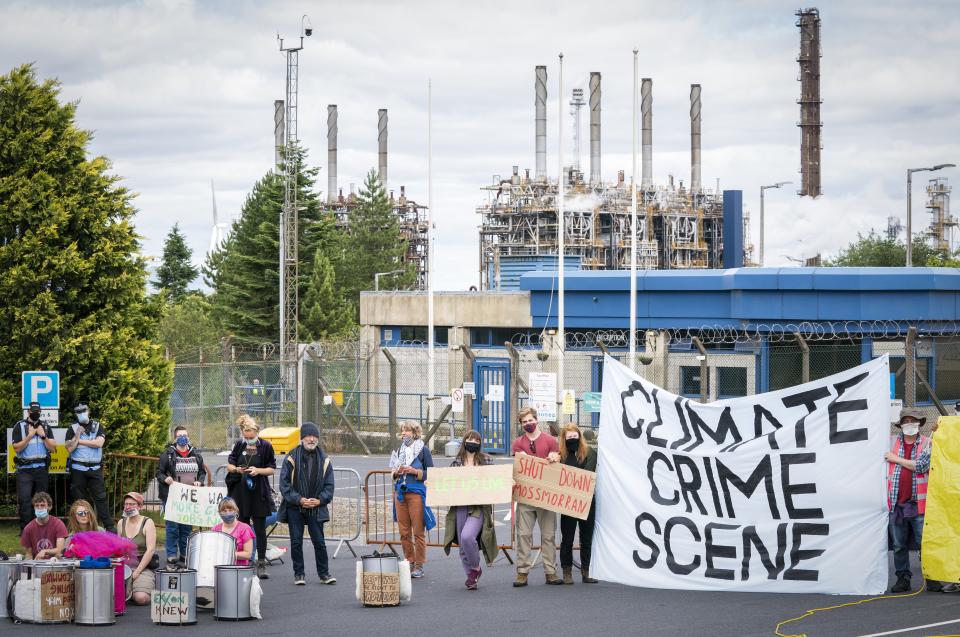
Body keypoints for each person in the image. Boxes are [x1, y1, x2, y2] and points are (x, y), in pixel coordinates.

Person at [279, 422, 336, 586]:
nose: (311, 439)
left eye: (314, 436)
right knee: (296, 541)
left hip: (316, 507)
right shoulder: (291, 457)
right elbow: (284, 485)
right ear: (302, 437)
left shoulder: (325, 459)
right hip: (295, 507)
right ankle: (299, 574)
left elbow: (329, 486)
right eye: (308, 436)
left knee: (319, 541)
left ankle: (324, 574)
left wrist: (320, 500)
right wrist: (299, 499)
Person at [511, 406, 562, 587]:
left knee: (548, 535)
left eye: (530, 420)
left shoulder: (550, 441)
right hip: (526, 495)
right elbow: (517, 467)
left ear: (537, 420)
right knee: (523, 534)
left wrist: (555, 457)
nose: (528, 424)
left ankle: (551, 572)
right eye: (524, 422)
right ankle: (522, 572)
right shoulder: (518, 443)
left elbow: (557, 461)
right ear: (521, 425)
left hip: (546, 496)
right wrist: (521, 459)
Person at [442, 430, 498, 590]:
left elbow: (495, 479)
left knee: (467, 537)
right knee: (462, 544)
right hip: (460, 506)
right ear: (464, 441)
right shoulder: (457, 462)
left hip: (478, 507)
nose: (473, 441)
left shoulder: (487, 460)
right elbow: (447, 483)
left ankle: (476, 568)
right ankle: (471, 577)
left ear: (480, 443)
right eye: (470, 438)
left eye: (476, 439)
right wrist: (432, 485)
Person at [885, 408, 933, 593]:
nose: (909, 424)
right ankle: (902, 578)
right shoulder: (891, 442)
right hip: (896, 504)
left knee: (925, 543)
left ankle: (932, 578)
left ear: (920, 423)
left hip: (919, 504)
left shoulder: (927, 443)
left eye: (913, 420)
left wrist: (895, 459)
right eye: (906, 420)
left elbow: (921, 466)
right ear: (901, 424)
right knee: (898, 545)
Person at [226, 414, 276, 579]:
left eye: (251, 435)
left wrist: (258, 471)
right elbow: (230, 464)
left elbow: (271, 468)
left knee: (260, 530)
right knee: (244, 529)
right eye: (246, 435)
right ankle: (245, 562)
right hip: (241, 493)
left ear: (256, 431)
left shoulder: (266, 446)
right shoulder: (239, 445)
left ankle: (261, 563)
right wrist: (236, 470)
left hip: (258, 492)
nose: (249, 438)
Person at [390, 420, 434, 579]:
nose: (404, 434)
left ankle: (419, 564)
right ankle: (409, 560)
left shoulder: (423, 450)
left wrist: (415, 471)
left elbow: (430, 473)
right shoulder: (399, 449)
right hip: (400, 493)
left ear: (415, 432)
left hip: (416, 493)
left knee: (418, 531)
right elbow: (392, 470)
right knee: (404, 531)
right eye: (402, 431)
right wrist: (396, 472)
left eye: (407, 431)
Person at [157, 424, 207, 564]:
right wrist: (165, 479)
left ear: (188, 437)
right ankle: (172, 554)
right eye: (179, 436)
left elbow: (202, 472)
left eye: (184, 435)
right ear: (175, 438)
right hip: (172, 496)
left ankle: (184, 554)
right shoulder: (167, 454)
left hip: (189, 498)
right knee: (172, 527)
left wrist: (200, 482)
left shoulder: (196, 454)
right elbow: (159, 472)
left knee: (186, 528)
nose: (182, 438)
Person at [557, 423, 599, 585]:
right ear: (564, 439)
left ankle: (586, 571)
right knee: (567, 538)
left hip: (587, 501)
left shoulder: (591, 453)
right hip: (568, 502)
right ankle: (567, 571)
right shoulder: (560, 455)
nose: (572, 440)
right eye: (569, 438)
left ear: (580, 437)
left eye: (575, 437)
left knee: (586, 538)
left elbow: (585, 475)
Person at [65, 402, 115, 533]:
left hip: (95, 469)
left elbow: (99, 443)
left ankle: (109, 528)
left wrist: (78, 441)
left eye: (84, 410)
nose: (81, 413)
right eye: (78, 411)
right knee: (79, 501)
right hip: (78, 469)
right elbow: (69, 448)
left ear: (88, 411)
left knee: (101, 498)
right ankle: (78, 529)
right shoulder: (72, 428)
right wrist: (77, 434)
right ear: (75, 414)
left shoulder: (98, 426)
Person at [12, 401, 56, 531]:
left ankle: (42, 528)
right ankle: (26, 530)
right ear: (28, 412)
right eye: (33, 411)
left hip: (41, 468)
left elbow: (53, 449)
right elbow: (17, 448)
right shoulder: (19, 426)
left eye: (38, 411)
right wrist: (29, 436)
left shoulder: (46, 426)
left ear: (40, 412)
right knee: (25, 501)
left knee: (42, 500)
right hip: (25, 470)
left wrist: (43, 436)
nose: (36, 413)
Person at [117, 491, 156, 605]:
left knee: (141, 598)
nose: (128, 507)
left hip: (142, 567)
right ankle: (130, 589)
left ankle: (147, 587)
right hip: (125, 566)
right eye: (126, 504)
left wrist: (137, 572)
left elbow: (151, 550)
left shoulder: (147, 522)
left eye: (132, 504)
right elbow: (118, 549)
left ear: (140, 506)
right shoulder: (121, 523)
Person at [20, 491, 67, 559]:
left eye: (42, 505)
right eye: (37, 505)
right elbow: (29, 555)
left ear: (49, 507)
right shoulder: (28, 528)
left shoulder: (58, 524)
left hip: (55, 564)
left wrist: (45, 551)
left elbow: (60, 550)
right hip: (37, 565)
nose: (39, 508)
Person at [211, 498, 255, 565]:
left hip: (239, 570)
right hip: (219, 568)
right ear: (219, 513)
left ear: (236, 511)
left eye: (230, 510)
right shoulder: (215, 529)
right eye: (224, 511)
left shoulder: (245, 528)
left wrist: (227, 554)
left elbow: (248, 554)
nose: (227, 513)